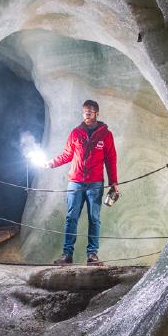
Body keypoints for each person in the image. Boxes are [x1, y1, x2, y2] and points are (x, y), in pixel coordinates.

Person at [43, 99, 119, 266]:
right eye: (85, 112)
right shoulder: (76, 133)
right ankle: (67, 255)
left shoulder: (106, 135)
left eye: (90, 112)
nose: (87, 115)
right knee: (71, 218)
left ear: (97, 113)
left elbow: (110, 159)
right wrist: (51, 163)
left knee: (94, 218)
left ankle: (92, 254)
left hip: (95, 184)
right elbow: (67, 155)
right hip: (75, 182)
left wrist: (114, 182)